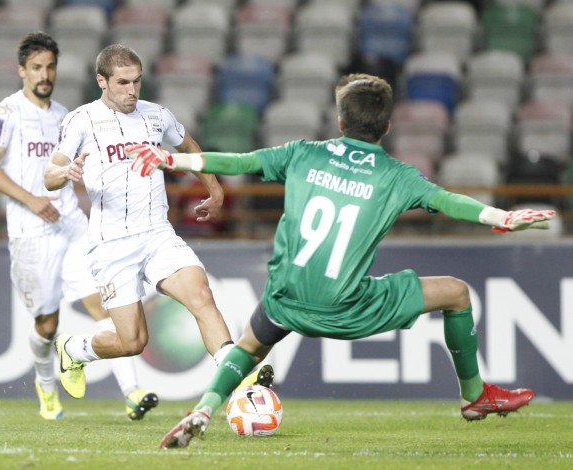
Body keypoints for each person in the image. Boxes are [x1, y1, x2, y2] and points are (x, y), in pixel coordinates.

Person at [124, 73, 556, 449]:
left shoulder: (302, 153)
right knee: (456, 293)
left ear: (340, 121)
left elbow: (239, 162)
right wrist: (502, 217)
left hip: (286, 298)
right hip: (347, 306)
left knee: (249, 346)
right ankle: (473, 396)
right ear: (387, 127)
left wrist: (169, 158)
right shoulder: (397, 176)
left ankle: (204, 408)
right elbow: (448, 201)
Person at [43, 44, 271, 400]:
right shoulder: (81, 120)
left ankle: (237, 376)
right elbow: (49, 175)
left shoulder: (156, 115)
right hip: (111, 244)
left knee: (202, 295)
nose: (132, 90)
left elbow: (189, 146)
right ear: (101, 81)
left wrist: (215, 191)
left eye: (137, 81)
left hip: (157, 234)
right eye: (122, 83)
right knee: (132, 341)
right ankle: (73, 350)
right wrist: (64, 172)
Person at [0, 32, 157, 420]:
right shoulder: (5, 114)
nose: (45, 74)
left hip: (74, 227)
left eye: (51, 67)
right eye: (37, 67)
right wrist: (31, 199)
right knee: (47, 322)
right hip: (30, 232)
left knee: (104, 303)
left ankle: (133, 391)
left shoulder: (66, 115)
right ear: (22, 70)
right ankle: (46, 388)